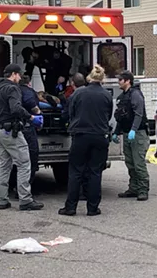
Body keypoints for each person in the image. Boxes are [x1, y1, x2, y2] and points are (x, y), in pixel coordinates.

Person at [59, 65, 113, 216]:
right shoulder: (106, 95)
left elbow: (71, 112)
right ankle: (93, 208)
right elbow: (108, 115)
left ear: (89, 78)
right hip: (100, 136)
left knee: (76, 172)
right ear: (102, 79)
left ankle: (70, 207)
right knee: (95, 172)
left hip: (81, 135)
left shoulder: (78, 93)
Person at [0, 64, 44, 211]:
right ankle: (25, 200)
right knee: (24, 163)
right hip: (11, 131)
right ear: (14, 74)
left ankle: (2, 200)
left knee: (4, 166)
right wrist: (31, 117)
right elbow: (15, 108)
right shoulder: (12, 88)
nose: (20, 78)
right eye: (19, 75)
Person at [114, 70, 150, 201]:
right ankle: (133, 188)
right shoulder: (123, 96)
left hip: (137, 134)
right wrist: (116, 132)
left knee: (139, 163)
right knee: (130, 163)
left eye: (120, 80)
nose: (118, 82)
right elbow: (121, 116)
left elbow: (139, 114)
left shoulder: (135, 95)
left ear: (127, 81)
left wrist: (134, 130)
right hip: (126, 132)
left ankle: (143, 189)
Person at [8, 76, 41, 199]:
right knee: (31, 158)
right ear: (29, 83)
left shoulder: (13, 90)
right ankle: (24, 190)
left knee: (15, 160)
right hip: (27, 127)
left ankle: (14, 187)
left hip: (14, 128)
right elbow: (29, 102)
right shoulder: (27, 91)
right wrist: (38, 113)